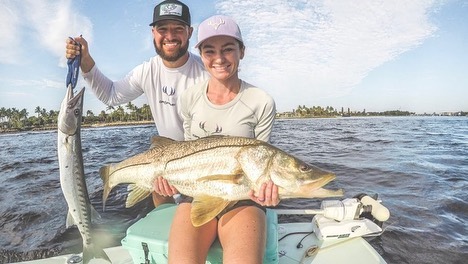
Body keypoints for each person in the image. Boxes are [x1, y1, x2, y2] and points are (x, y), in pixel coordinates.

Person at [157, 14, 280, 264]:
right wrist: (167, 183)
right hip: (195, 193)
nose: (219, 59)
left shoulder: (261, 101)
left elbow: (264, 160)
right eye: (209, 51)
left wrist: (269, 191)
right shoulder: (189, 98)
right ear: (201, 55)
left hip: (243, 198)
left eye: (228, 49)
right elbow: (189, 152)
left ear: (241, 51)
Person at [65, 0, 209, 207]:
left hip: (202, 162)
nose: (170, 36)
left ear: (189, 32)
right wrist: (85, 58)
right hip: (164, 159)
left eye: (178, 28)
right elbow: (111, 95)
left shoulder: (207, 72)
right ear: (153, 32)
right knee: (158, 193)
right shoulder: (147, 71)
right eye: (162, 29)